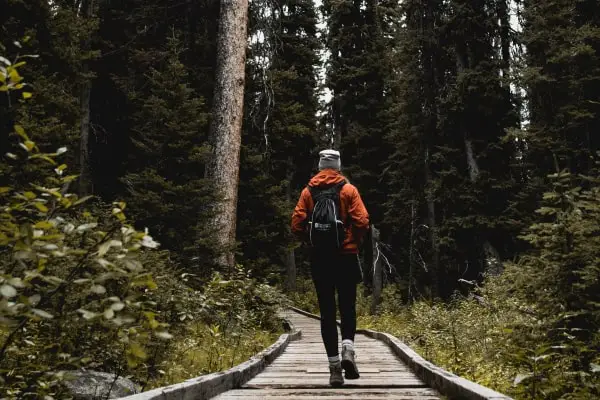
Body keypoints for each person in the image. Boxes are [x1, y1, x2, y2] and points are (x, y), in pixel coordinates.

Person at [291, 149, 370, 387]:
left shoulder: (308, 191)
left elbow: (296, 224)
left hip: (320, 259)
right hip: (346, 256)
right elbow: (363, 221)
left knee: (327, 312)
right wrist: (353, 241)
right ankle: (348, 348)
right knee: (347, 306)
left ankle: (334, 368)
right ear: (337, 166)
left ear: (319, 166)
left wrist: (311, 240)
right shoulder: (348, 189)